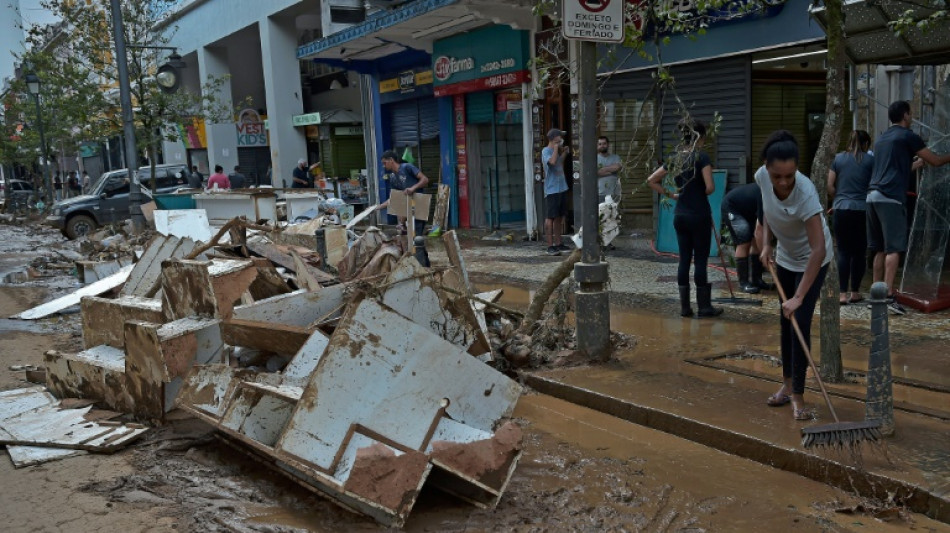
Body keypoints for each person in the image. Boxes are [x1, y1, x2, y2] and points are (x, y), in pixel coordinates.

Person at [756, 130, 833, 421]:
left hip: (814, 260)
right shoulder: (762, 177)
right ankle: (787, 385)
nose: (783, 182)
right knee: (785, 319)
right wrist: (766, 243)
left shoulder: (806, 193)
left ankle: (799, 396)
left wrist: (799, 297)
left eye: (789, 176)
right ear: (766, 168)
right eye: (777, 176)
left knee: (799, 319)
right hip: (786, 257)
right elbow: (767, 208)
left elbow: (818, 249)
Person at [867, 100, 950, 315]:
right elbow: (936, 161)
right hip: (891, 198)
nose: (912, 117)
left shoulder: (882, 139)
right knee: (894, 249)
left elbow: (894, 168)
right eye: (911, 113)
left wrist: (917, 163)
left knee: (879, 248)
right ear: (905, 115)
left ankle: (875, 296)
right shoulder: (908, 136)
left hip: (872, 196)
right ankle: (887, 296)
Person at [648, 118, 721, 318]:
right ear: (700, 137)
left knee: (684, 259)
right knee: (700, 261)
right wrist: (698, 192)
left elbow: (651, 180)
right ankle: (704, 308)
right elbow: (710, 187)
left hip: (680, 215)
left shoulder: (675, 158)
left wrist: (672, 195)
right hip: (699, 215)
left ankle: (685, 308)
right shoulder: (702, 157)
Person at [828, 130, 874, 305]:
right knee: (859, 252)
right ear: (866, 144)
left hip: (841, 209)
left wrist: (839, 198)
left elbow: (829, 185)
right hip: (862, 209)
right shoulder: (870, 160)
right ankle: (855, 292)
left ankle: (842, 294)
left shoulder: (838, 159)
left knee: (843, 251)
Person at [721, 182, 773, 294]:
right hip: (732, 207)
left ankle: (756, 280)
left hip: (748, 210)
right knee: (744, 241)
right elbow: (760, 230)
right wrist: (765, 252)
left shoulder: (772, 197)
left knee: (755, 241)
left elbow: (761, 229)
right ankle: (743, 283)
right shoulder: (766, 195)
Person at [376, 150, 429, 236]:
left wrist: (413, 188)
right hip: (407, 209)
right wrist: (377, 207)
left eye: (384, 163)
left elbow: (425, 179)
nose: (383, 166)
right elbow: (394, 198)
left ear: (391, 160)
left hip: (419, 204)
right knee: (409, 237)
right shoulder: (392, 177)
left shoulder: (407, 167)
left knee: (417, 236)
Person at [541, 128, 571, 256]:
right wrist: (556, 148)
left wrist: (564, 153)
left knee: (559, 216)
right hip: (552, 189)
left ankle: (558, 243)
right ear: (554, 138)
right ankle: (550, 245)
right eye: (560, 136)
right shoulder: (546, 151)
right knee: (550, 217)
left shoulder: (556, 151)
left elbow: (559, 163)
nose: (561, 139)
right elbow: (552, 162)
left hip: (561, 187)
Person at [597, 136, 622, 204]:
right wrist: (611, 171)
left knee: (614, 211)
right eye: (600, 144)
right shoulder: (594, 158)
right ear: (597, 146)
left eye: (604, 143)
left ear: (608, 145)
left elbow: (617, 167)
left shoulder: (616, 157)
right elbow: (597, 172)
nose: (602, 146)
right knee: (601, 210)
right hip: (600, 193)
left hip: (614, 193)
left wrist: (602, 169)